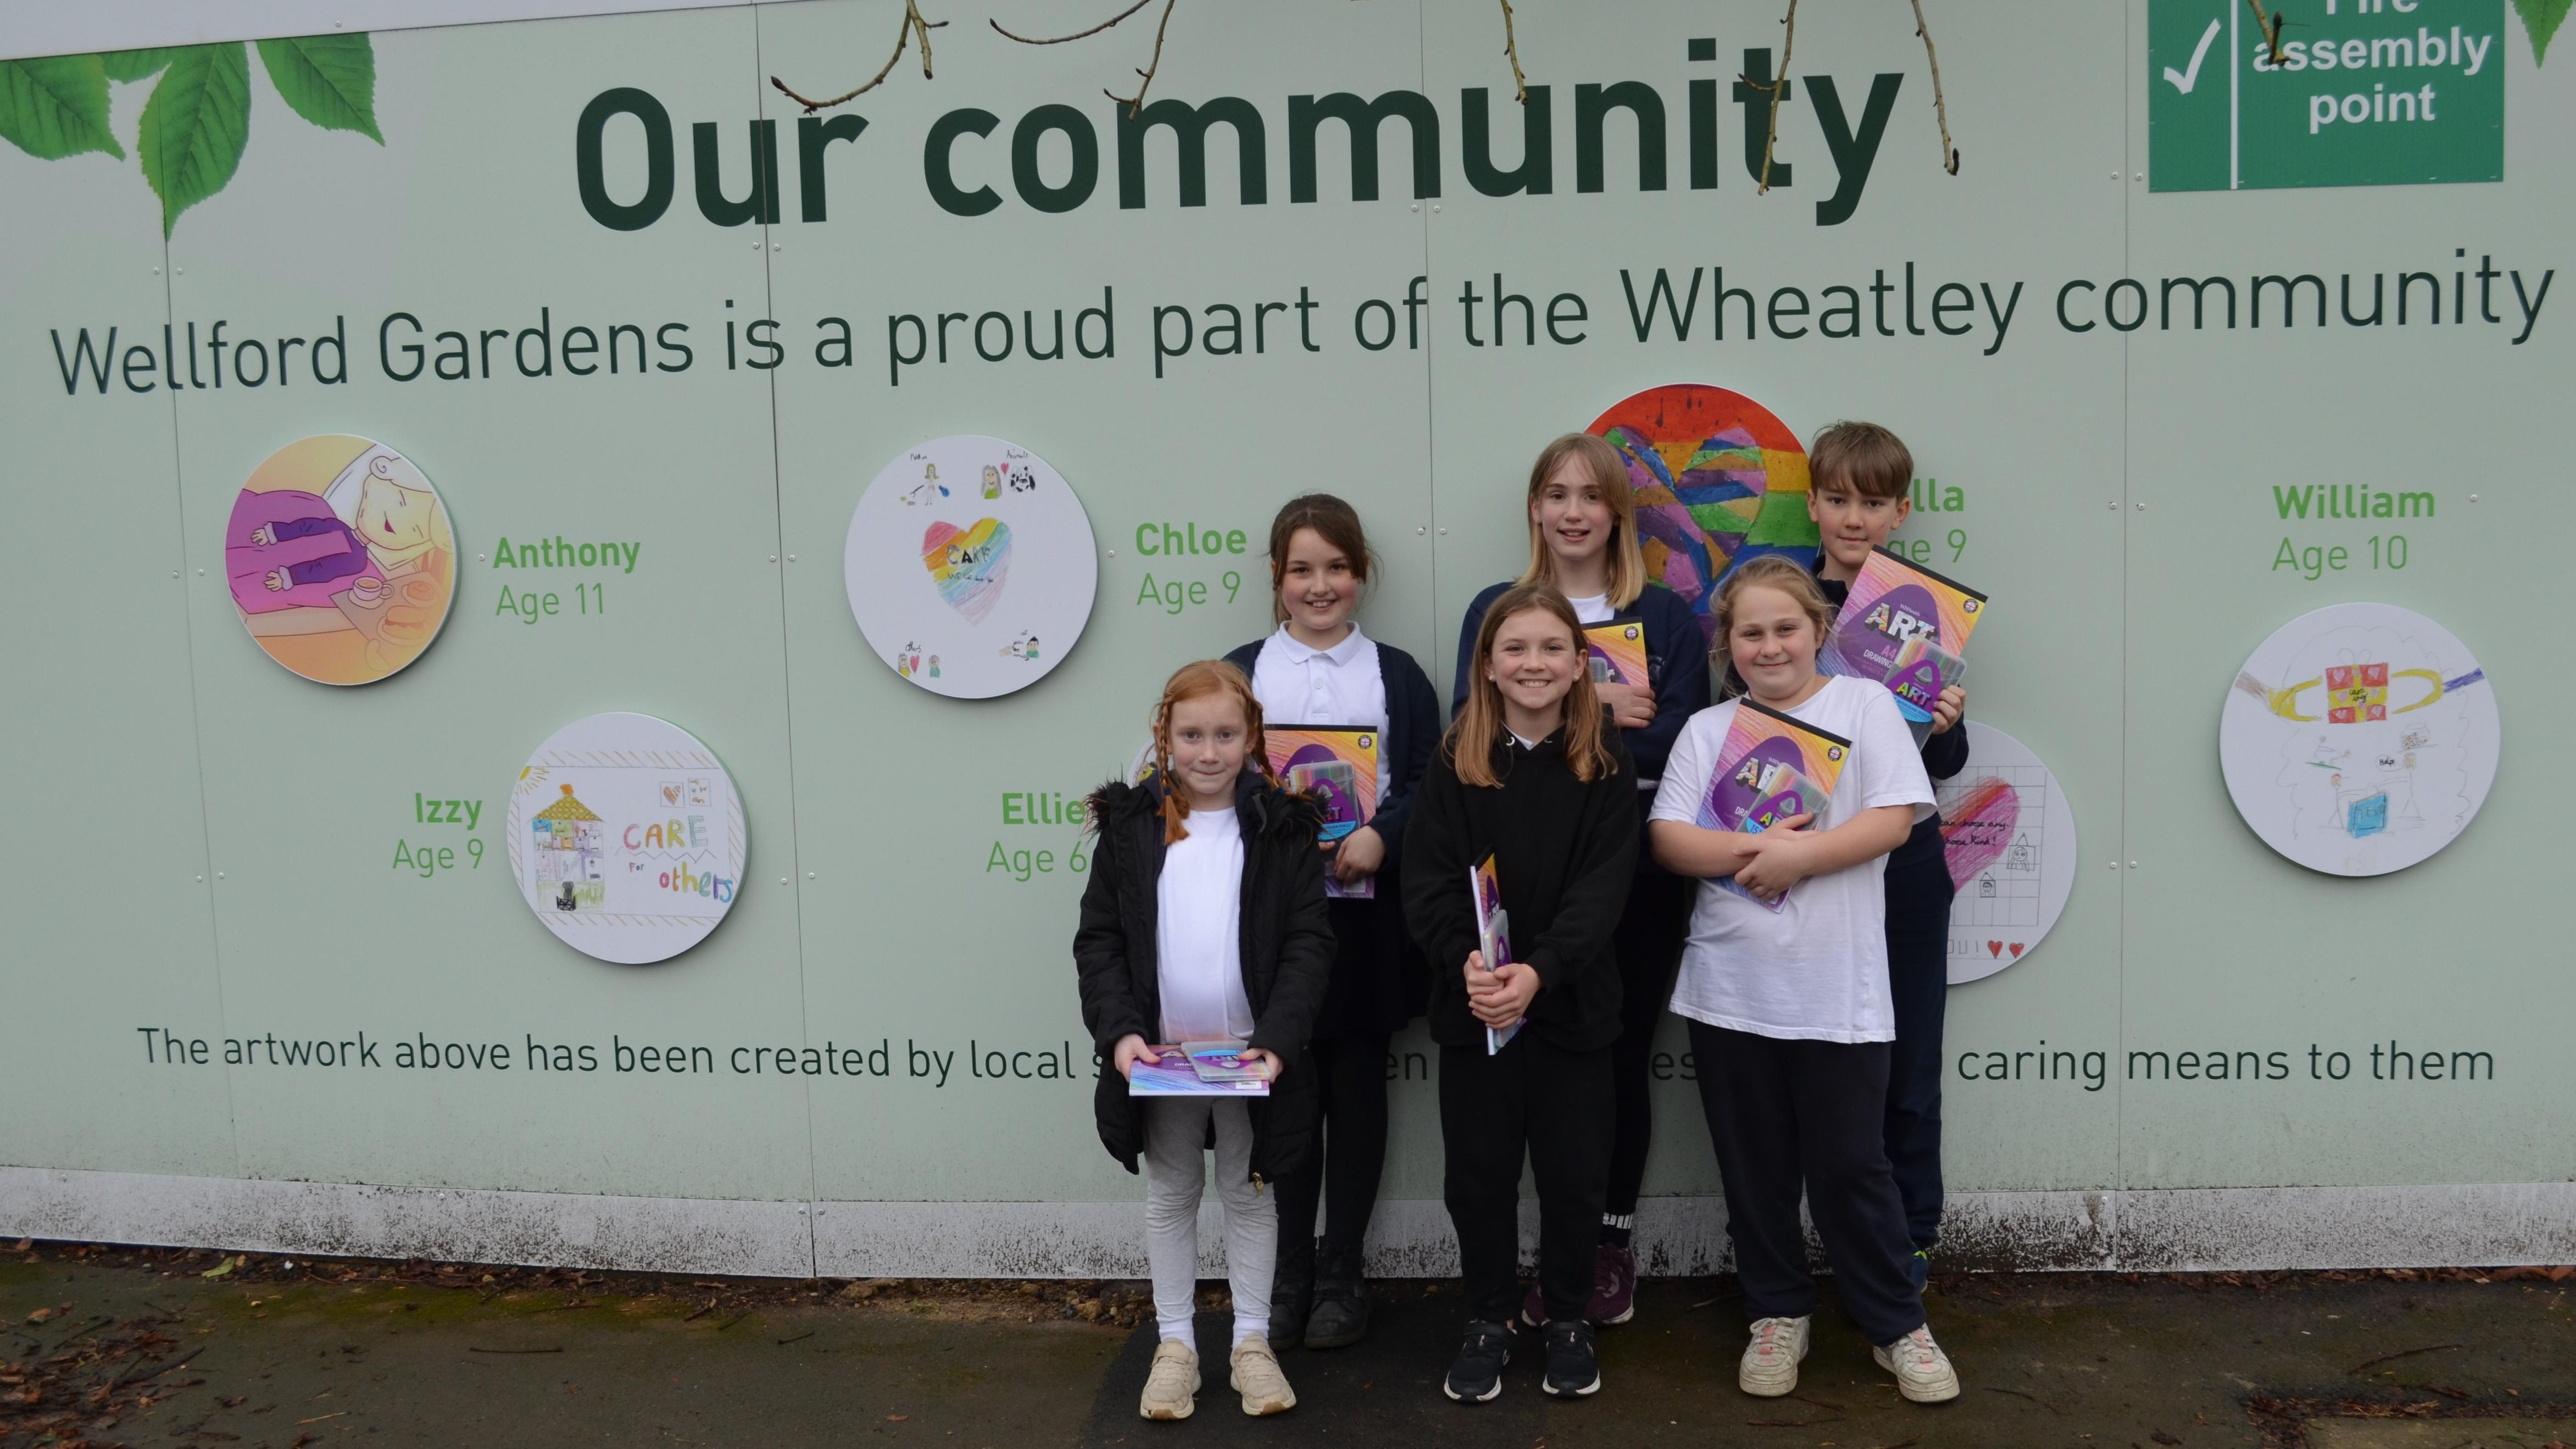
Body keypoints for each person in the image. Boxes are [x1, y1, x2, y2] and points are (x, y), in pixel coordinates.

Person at [1647, 556, 1961, 1404]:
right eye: (1750, 632)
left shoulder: (1862, 706)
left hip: (1837, 987)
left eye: (1785, 627)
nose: (1769, 645)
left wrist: (1800, 856)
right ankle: (1777, 1311)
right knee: (1753, 1168)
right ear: (1727, 644)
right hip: (1729, 988)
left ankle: (1894, 1321)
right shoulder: (1707, 728)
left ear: (1818, 630)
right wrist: (1758, 851)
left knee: (1852, 1166)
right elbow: (1669, 838)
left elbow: (1892, 818)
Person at [1450, 433, 1707, 1326]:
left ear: (1617, 513)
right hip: (1517, 870)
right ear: (1534, 507)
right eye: (1556, 494)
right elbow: (1471, 725)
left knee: (1616, 1057)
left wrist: (1565, 716)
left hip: (1630, 870)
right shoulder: (1497, 607)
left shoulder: (1664, 617)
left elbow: (1684, 738)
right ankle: (1525, 1264)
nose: (1572, 511)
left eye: (1591, 496)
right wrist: (1600, 706)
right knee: (1517, 1067)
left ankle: (1606, 1247)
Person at [1072, 661, 1335, 1420]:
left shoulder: (1282, 829)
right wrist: (1122, 1033)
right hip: (1162, 1061)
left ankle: (1252, 1343)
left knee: (1250, 1193)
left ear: (1252, 737)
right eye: (1191, 735)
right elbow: (1099, 941)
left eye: (1225, 735)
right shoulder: (1132, 827)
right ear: (1164, 736)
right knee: (1172, 1192)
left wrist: (1278, 1041)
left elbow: (1307, 945)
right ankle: (1176, 1348)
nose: (1209, 752)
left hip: (1252, 1059)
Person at [1406, 584, 1638, 1403]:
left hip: (1572, 1008)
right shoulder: (1455, 761)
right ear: (1488, 666)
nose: (1532, 663)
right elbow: (1427, 882)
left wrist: (1538, 973)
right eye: (1515, 648)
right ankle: (1488, 1317)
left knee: (1575, 1176)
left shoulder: (1606, 761)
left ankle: (1567, 1316)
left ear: (1580, 665)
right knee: (1479, 1177)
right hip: (1477, 1011)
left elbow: (1603, 891)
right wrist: (1467, 964)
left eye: (1550, 648)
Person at [1222, 495, 1439, 1351]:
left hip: (1365, 917)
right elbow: (1210, 777)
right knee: (1285, 1088)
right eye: (1301, 569)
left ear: (1361, 574)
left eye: (1337, 568)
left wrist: (1382, 835)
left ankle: (1343, 1267)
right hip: (1270, 920)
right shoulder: (1242, 671)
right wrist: (1271, 835)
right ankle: (1288, 1273)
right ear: (1276, 578)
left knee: (1355, 1086)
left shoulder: (1398, 674)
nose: (1320, 585)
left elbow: (1426, 780)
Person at [1803, 421, 1969, 1291]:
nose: (1853, 518)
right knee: (1811, 1061)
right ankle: (1808, 1243)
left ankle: (1911, 1240)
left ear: (1900, 512)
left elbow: (1943, 764)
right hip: (1805, 855)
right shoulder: (1780, 598)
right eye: (1837, 499)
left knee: (1909, 1062)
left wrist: (1946, 722)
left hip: (1904, 858)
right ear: (1811, 503)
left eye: (1872, 503)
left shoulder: (1924, 610)